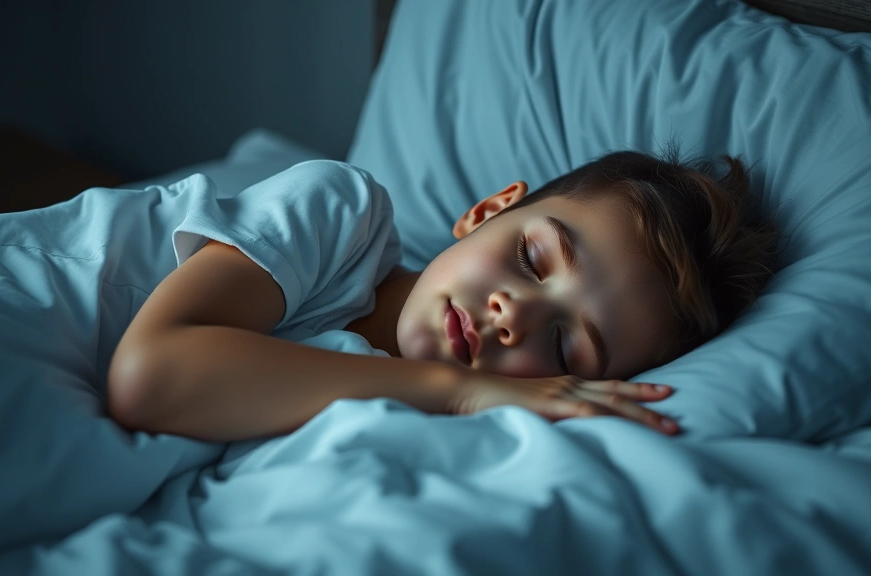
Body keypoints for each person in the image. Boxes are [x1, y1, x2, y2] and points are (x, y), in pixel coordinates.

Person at [107, 149, 779, 442]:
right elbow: (150, 378)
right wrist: (456, 390)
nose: (514, 314)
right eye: (532, 258)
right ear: (487, 210)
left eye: (565, 345)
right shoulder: (337, 213)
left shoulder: (405, 420)